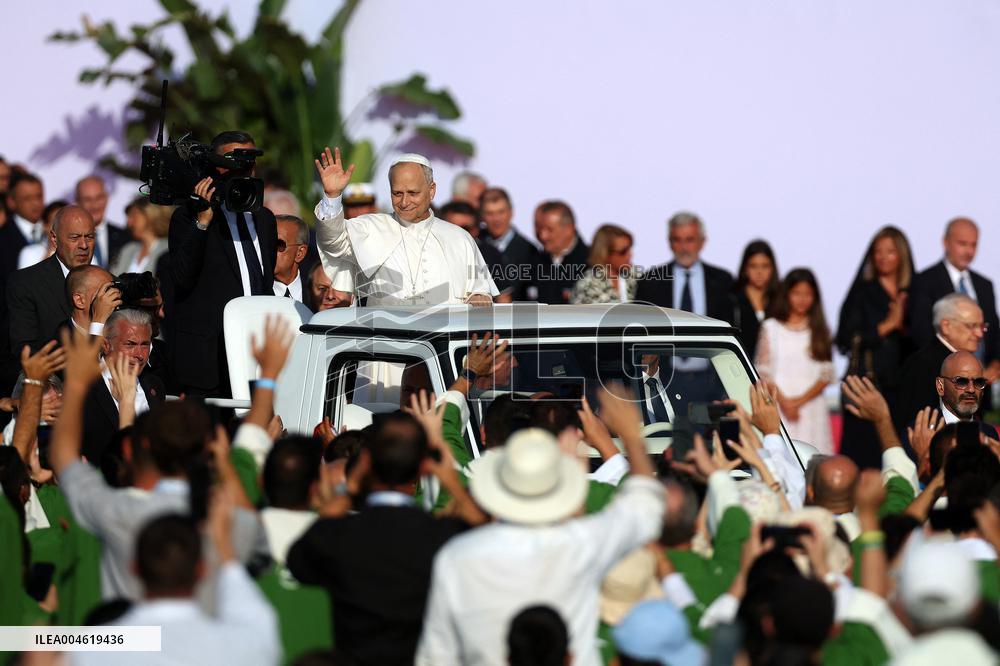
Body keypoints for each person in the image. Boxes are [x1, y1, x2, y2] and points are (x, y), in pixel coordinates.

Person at [416, 386, 666, 666]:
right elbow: (645, 507)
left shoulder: (457, 558)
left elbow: (436, 655)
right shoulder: (581, 544)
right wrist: (628, 438)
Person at [287, 409, 475, 666]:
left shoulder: (339, 535)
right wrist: (449, 477)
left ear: (367, 464)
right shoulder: (440, 536)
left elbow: (298, 560)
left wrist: (349, 485)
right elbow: (480, 525)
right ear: (422, 468)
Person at [71, 505, 282, 666]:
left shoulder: (91, 650)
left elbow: (44, 641)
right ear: (202, 570)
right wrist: (224, 548)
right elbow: (258, 616)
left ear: (135, 569)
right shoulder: (245, 643)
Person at [167, 130, 278, 397]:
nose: (244, 168)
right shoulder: (188, 217)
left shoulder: (264, 219)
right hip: (209, 363)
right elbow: (182, 277)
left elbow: (265, 282)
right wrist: (202, 221)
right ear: (217, 165)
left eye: (249, 161)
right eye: (234, 160)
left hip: (257, 358)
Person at [313, 147, 497, 305]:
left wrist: (479, 297)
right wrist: (332, 196)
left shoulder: (459, 237)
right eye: (397, 193)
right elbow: (333, 241)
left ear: (431, 190)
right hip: (387, 340)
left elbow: (481, 292)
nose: (404, 201)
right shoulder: (370, 227)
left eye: (413, 193)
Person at [835, 226, 915, 469]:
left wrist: (903, 325)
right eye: (877, 251)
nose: (883, 257)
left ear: (902, 254)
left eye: (890, 251)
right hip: (869, 386)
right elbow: (845, 339)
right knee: (865, 459)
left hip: (906, 390)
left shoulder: (916, 291)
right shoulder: (863, 292)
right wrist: (886, 326)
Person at [908, 217, 1000, 385]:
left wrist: (996, 363)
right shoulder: (924, 281)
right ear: (945, 242)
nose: (969, 251)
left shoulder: (985, 285)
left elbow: (994, 331)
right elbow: (920, 335)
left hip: (982, 388)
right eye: (962, 244)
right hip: (941, 386)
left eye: (973, 245)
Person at [755, 268, 835, 454]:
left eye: (807, 294)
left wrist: (799, 402)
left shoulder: (820, 329)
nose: (802, 299)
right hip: (779, 406)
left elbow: (826, 373)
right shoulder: (771, 327)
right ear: (787, 294)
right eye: (796, 293)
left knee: (814, 459)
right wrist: (786, 403)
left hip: (811, 408)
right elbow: (763, 371)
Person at [7, 205, 97, 355]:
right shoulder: (25, 284)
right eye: (74, 238)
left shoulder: (107, 282)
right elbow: (24, 350)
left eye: (89, 237)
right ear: (54, 239)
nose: (84, 245)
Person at [82, 309, 165, 463]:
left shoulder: (154, 385)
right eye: (130, 344)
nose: (139, 354)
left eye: (145, 345)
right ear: (106, 345)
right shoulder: (84, 388)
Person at [896, 294, 986, 432]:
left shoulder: (942, 359)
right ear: (946, 326)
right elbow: (914, 423)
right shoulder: (925, 363)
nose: (980, 334)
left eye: (982, 326)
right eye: (972, 326)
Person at [634, 211, 735, 324]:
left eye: (689, 240)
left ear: (702, 241)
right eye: (677, 240)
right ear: (669, 242)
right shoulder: (650, 281)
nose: (684, 247)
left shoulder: (723, 280)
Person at [438, 199, 509, 298]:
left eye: (465, 229)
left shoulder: (490, 255)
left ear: (476, 230)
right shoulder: (428, 253)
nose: (459, 234)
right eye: (452, 228)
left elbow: (503, 300)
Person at [480, 188, 541, 301]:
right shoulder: (474, 244)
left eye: (501, 212)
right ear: (482, 215)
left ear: (511, 212)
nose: (496, 219)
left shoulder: (529, 251)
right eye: (490, 213)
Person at [532, 200, 589, 304]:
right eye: (538, 228)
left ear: (569, 228)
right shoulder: (531, 260)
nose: (542, 236)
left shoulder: (592, 263)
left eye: (550, 229)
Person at [732, 239, 780, 361]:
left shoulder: (781, 301)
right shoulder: (732, 301)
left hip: (775, 375)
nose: (759, 272)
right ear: (745, 268)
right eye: (753, 266)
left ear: (772, 268)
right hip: (740, 373)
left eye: (765, 266)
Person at [570, 224, 637, 304]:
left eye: (629, 249)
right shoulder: (588, 285)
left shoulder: (634, 277)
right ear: (605, 253)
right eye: (623, 252)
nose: (630, 255)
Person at [75, 175, 130, 270]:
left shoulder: (125, 237)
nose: (95, 205)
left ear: (107, 198)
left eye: (99, 198)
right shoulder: (69, 240)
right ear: (77, 202)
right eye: (88, 199)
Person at [0, 171, 45, 279]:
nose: (35, 203)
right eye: (27, 198)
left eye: (39, 196)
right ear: (11, 202)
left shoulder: (55, 232)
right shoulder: (2, 238)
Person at [935, 351, 996, 432]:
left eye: (978, 382)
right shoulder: (919, 435)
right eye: (961, 382)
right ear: (940, 386)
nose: (971, 389)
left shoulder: (989, 434)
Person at [111, 197, 170, 275]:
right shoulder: (128, 249)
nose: (129, 223)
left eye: (133, 215)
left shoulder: (168, 250)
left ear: (149, 214)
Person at [60, 265, 120, 340]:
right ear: (80, 300)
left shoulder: (117, 332)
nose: (113, 297)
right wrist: (98, 321)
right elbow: (91, 351)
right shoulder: (60, 343)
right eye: (105, 291)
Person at [272, 214, 310, 303]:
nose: (269, 249)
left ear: (300, 253)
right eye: (266, 242)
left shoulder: (317, 294)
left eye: (278, 244)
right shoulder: (250, 292)